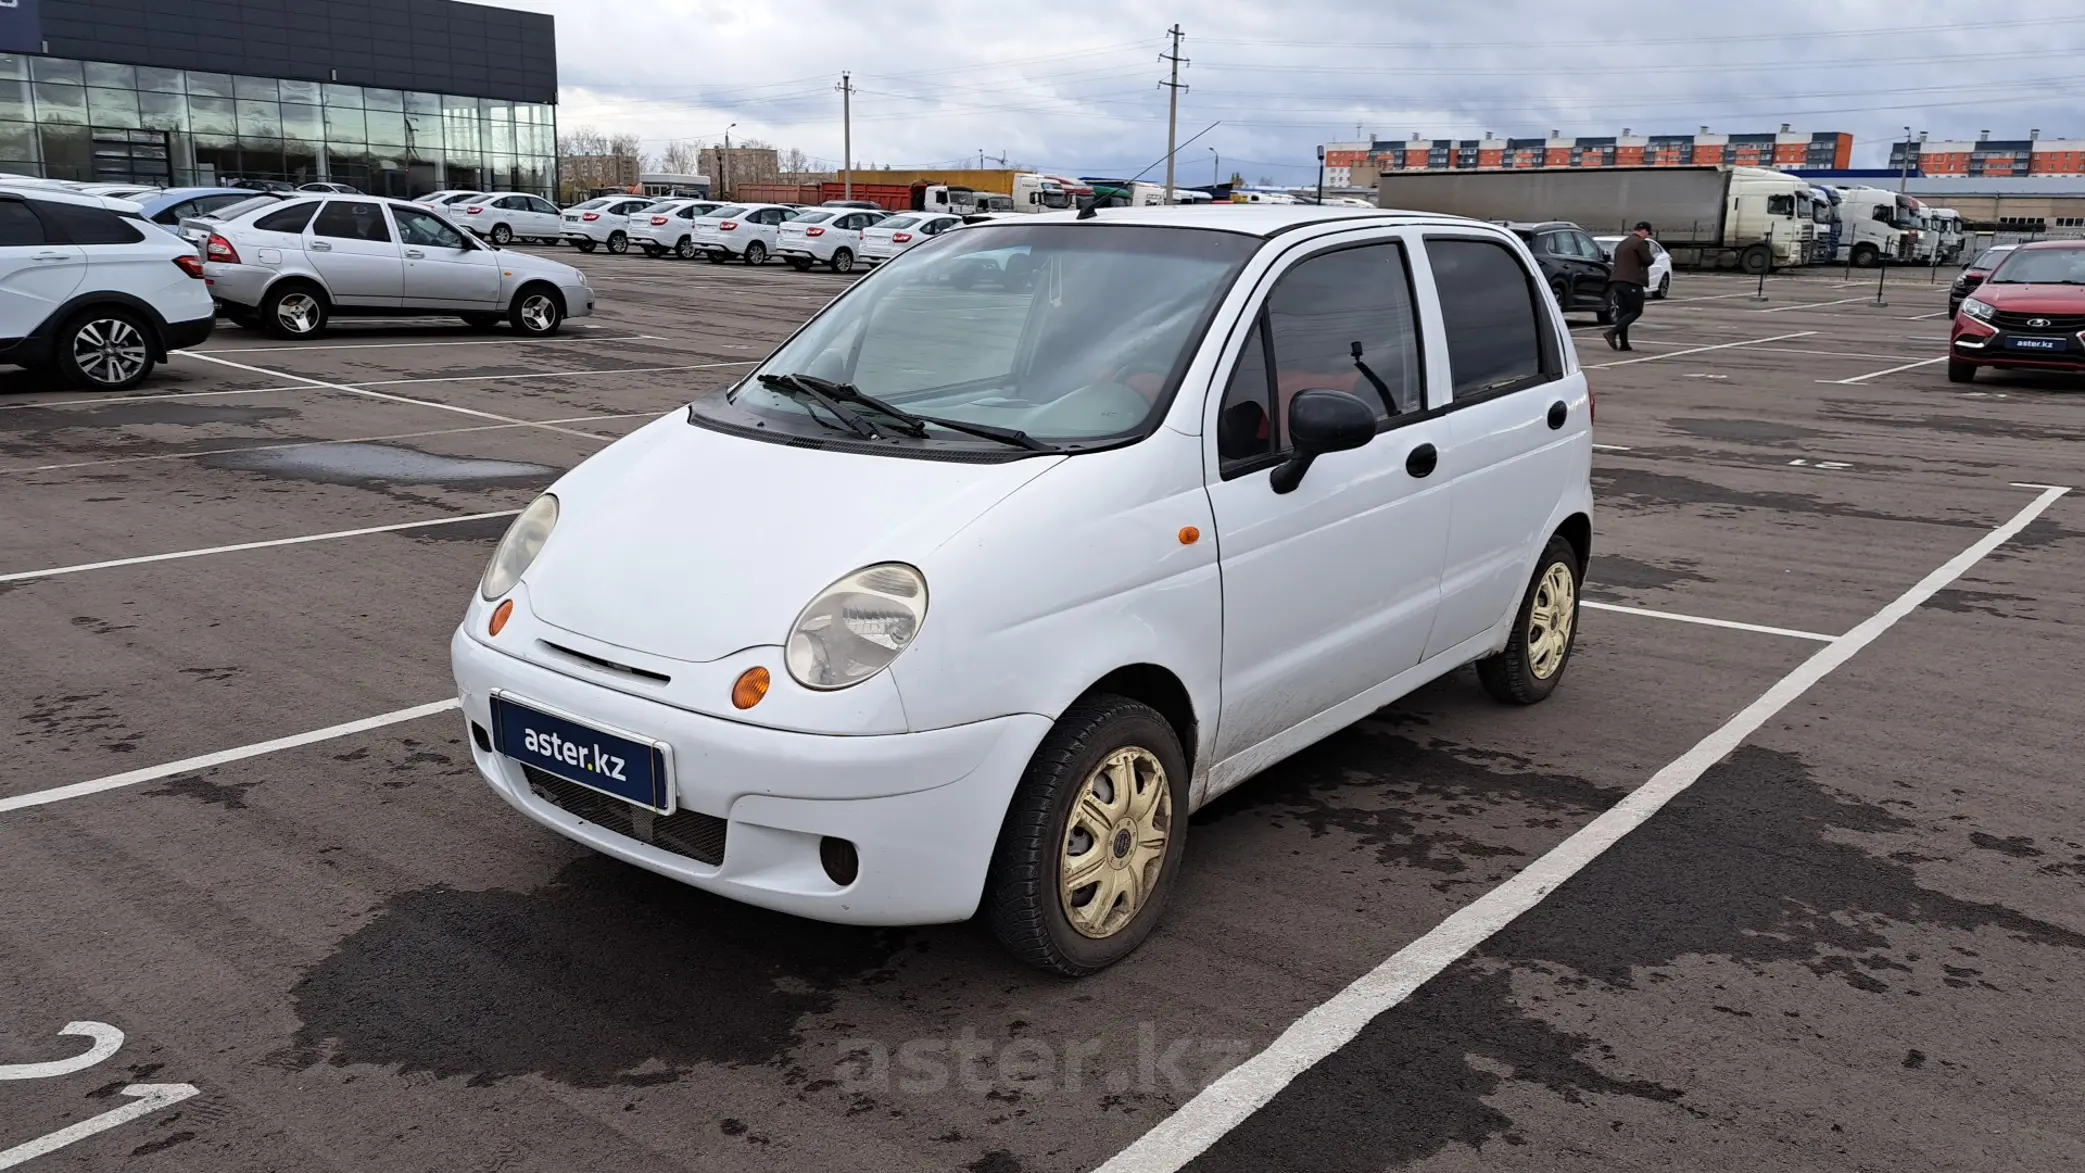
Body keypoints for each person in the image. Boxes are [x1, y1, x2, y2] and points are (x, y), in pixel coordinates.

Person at [1605, 222, 1655, 352]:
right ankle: (1612, 332)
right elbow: (1648, 260)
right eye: (1647, 233)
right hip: (1632, 281)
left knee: (1623, 313)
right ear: (1643, 231)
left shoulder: (1623, 243)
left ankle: (1624, 344)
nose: (1647, 236)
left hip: (1617, 281)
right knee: (1636, 310)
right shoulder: (1640, 243)